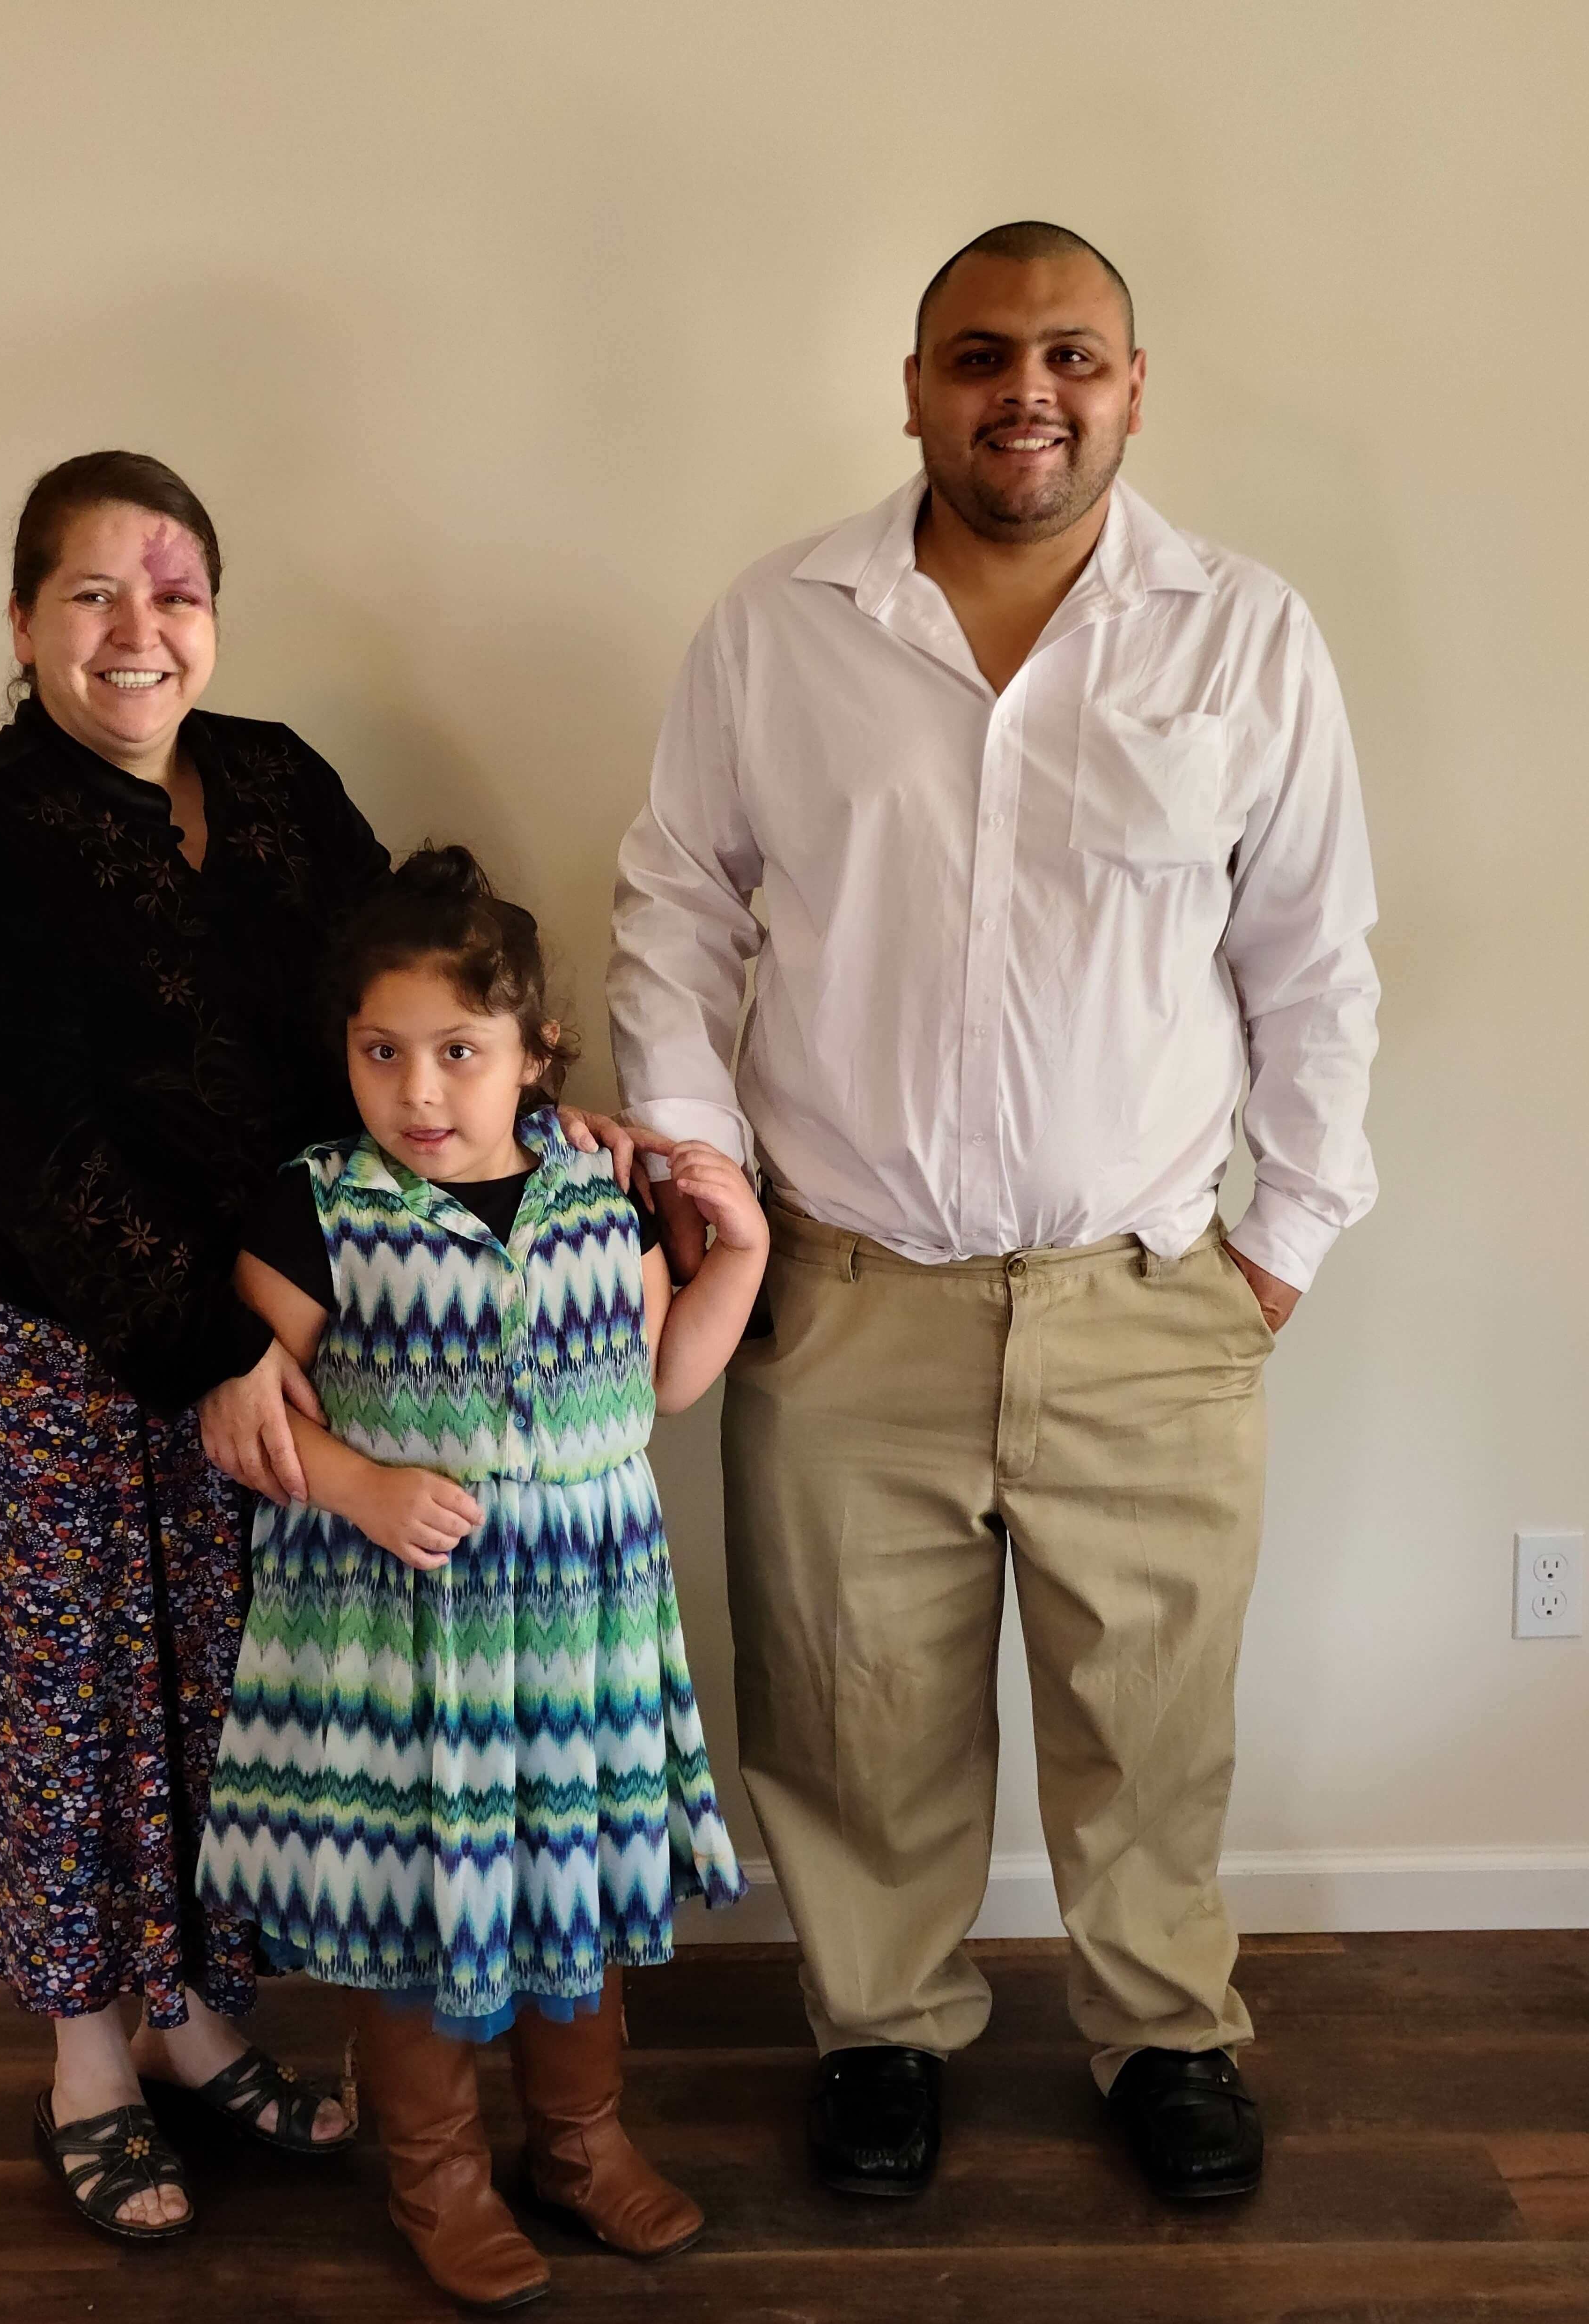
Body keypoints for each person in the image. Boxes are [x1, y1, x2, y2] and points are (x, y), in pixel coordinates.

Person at [607, 222, 1382, 2206]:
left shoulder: (1245, 637)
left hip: (1149, 1291)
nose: (1023, 391)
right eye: (978, 355)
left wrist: (1283, 1239)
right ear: (913, 387)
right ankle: (881, 2034)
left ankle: (1166, 2036)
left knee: (1157, 1709)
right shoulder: (780, 627)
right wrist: (703, 1179)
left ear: (1134, 385)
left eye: (1069, 355)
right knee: (854, 1707)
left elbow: (1317, 959)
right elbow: (676, 907)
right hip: (850, 1291)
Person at [0, 450, 392, 2243]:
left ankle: (202, 2027)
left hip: (254, 1329)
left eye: (170, 593)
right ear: (22, 623)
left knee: (214, 1700)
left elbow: (392, 1012)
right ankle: (90, 2065)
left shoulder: (275, 778)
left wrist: (537, 1123)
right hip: (43, 1338)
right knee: (66, 1712)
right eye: (91, 594)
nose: (135, 629)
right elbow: (20, 1138)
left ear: (213, 620)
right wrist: (207, 1349)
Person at [198, 846, 761, 2311]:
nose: (419, 1091)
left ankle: (580, 2139)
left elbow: (663, 1386)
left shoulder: (597, 1192)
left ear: (534, 1053)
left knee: (562, 1885)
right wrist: (362, 1486)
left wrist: (739, 1257)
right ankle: (434, 2174)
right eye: (382, 1053)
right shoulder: (317, 1207)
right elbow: (243, 1408)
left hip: (579, 1621)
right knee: (422, 1907)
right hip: (405, 1625)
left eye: (458, 1052)